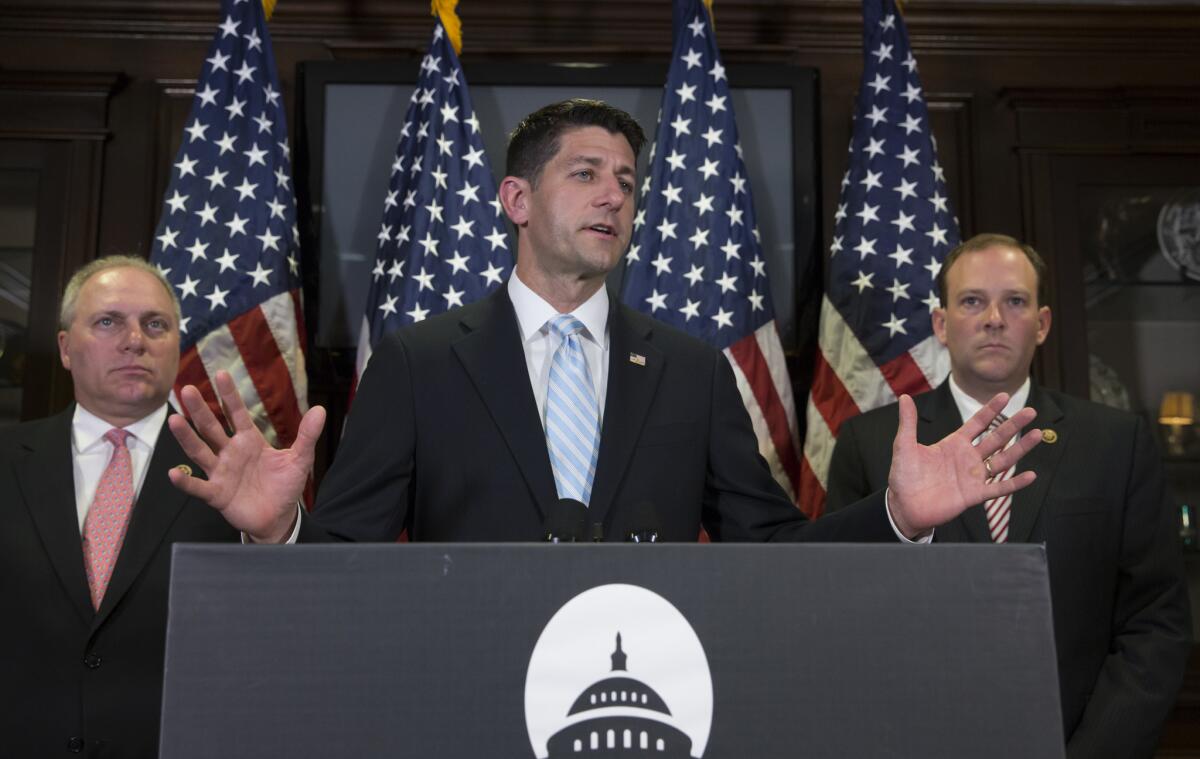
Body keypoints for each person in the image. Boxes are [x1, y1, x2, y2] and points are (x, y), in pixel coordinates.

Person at [167, 99, 1040, 548]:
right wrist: (279, 530)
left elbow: (772, 545)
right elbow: (348, 556)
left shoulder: (693, 371)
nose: (615, 195)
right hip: (465, 694)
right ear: (515, 198)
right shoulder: (419, 360)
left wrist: (894, 513)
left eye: (627, 180)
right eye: (586, 173)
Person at [825, 233, 1191, 758]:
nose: (993, 318)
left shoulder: (1116, 442)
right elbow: (842, 610)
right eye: (972, 301)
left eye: (1014, 301)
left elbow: (1156, 620)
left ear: (1041, 324)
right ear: (941, 324)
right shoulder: (873, 443)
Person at [0, 256, 239, 757]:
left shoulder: (233, 471)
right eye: (108, 321)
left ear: (177, 343)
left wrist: (280, 529)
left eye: (156, 324)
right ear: (65, 348)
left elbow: (287, 624)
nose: (135, 340)